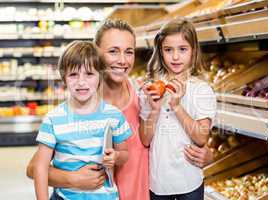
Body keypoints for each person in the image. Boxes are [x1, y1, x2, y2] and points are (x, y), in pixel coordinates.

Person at [27, 19, 214, 200]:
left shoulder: (144, 94)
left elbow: (169, 135)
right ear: (96, 53)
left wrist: (207, 154)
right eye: (113, 51)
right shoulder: (81, 106)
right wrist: (72, 179)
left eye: (129, 52)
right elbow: (33, 168)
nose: (123, 60)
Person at [33, 40, 131, 200]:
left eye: (89, 74)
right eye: (73, 74)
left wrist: (116, 157)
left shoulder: (114, 116)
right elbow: (40, 167)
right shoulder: (53, 119)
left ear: (101, 75)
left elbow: (125, 154)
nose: (81, 82)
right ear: (63, 78)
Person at [139, 18, 217, 200]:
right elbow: (144, 139)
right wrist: (155, 111)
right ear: (160, 52)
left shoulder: (201, 90)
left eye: (182, 49)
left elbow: (201, 137)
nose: (175, 57)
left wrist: (176, 106)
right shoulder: (150, 90)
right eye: (168, 50)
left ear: (193, 51)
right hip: (158, 182)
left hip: (189, 181)